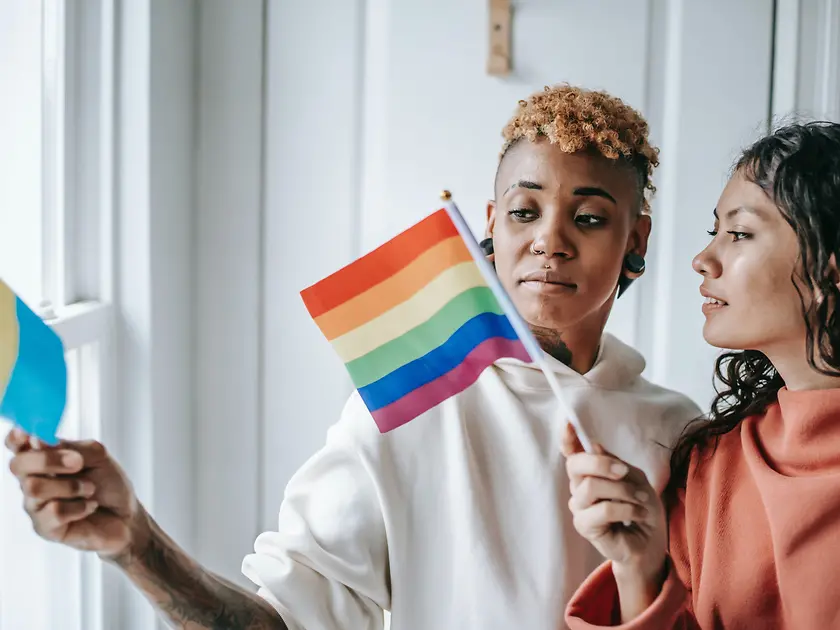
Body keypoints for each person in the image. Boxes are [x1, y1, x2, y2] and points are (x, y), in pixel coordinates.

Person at [6, 84, 700, 630]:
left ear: (635, 239)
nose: (550, 241)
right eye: (524, 211)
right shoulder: (413, 404)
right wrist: (136, 543)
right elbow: (281, 622)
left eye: (588, 218)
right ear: (489, 226)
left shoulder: (680, 432)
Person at [563, 121, 840, 630]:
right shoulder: (710, 466)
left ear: (831, 270)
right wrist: (637, 566)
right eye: (716, 231)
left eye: (738, 233)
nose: (702, 259)